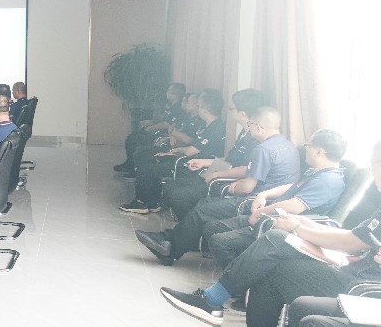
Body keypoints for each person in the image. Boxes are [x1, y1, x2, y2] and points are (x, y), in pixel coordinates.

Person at [159, 140, 381, 327]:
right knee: (268, 274)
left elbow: (352, 243)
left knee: (277, 239)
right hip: (351, 267)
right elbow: (356, 235)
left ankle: (212, 299)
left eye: (374, 165)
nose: (373, 173)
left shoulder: (331, 180)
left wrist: (297, 228)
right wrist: (306, 224)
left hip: (362, 285)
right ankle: (212, 301)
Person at [135, 106, 301, 266]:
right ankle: (170, 240)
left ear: (258, 127)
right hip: (276, 202)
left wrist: (232, 187)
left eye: (251, 125)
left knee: (202, 210)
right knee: (205, 204)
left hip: (254, 203)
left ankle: (169, 249)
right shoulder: (287, 145)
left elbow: (247, 187)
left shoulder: (264, 149)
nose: (249, 128)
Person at [206, 129, 347, 268]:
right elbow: (293, 186)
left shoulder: (327, 181)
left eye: (308, 146)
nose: (306, 149)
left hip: (281, 227)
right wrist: (264, 194)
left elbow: (294, 206)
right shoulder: (317, 172)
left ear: (319, 152)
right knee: (212, 227)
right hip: (270, 217)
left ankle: (239, 276)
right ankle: (242, 267)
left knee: (219, 242)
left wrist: (259, 212)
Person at [162, 88, 264, 219]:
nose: (229, 111)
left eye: (231, 108)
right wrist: (203, 162)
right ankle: (186, 225)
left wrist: (216, 174)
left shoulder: (255, 139)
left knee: (179, 195)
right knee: (171, 186)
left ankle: (189, 225)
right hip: (220, 173)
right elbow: (229, 159)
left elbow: (246, 169)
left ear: (242, 114)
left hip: (227, 182)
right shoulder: (244, 133)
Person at [119, 88, 226, 213]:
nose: (197, 109)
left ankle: (143, 203)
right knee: (148, 158)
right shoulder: (205, 124)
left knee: (147, 169)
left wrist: (174, 150)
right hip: (186, 159)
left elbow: (190, 150)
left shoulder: (216, 128)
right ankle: (151, 202)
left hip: (191, 164)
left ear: (204, 110)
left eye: (199, 106)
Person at [114, 83, 187, 173]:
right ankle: (129, 164)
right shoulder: (170, 106)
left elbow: (167, 124)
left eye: (169, 92)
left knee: (135, 140)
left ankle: (133, 168)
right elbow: (163, 120)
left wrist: (150, 128)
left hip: (163, 135)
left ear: (176, 94)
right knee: (132, 138)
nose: (167, 93)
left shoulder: (178, 108)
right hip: (159, 132)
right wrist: (151, 122)